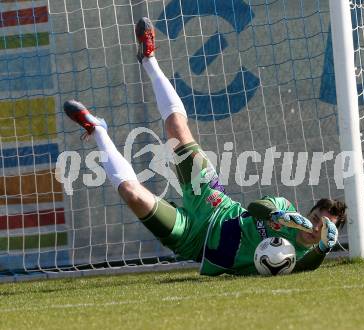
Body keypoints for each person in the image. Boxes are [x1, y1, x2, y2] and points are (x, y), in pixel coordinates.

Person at [63, 17, 346, 276]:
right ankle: (149, 58)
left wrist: (321, 249)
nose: (315, 228)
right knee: (176, 130)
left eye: (324, 229)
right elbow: (256, 207)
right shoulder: (286, 211)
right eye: (315, 219)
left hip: (191, 239)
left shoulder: (301, 258)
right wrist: (278, 215)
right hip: (212, 201)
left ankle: (97, 130)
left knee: (132, 194)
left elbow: (308, 267)